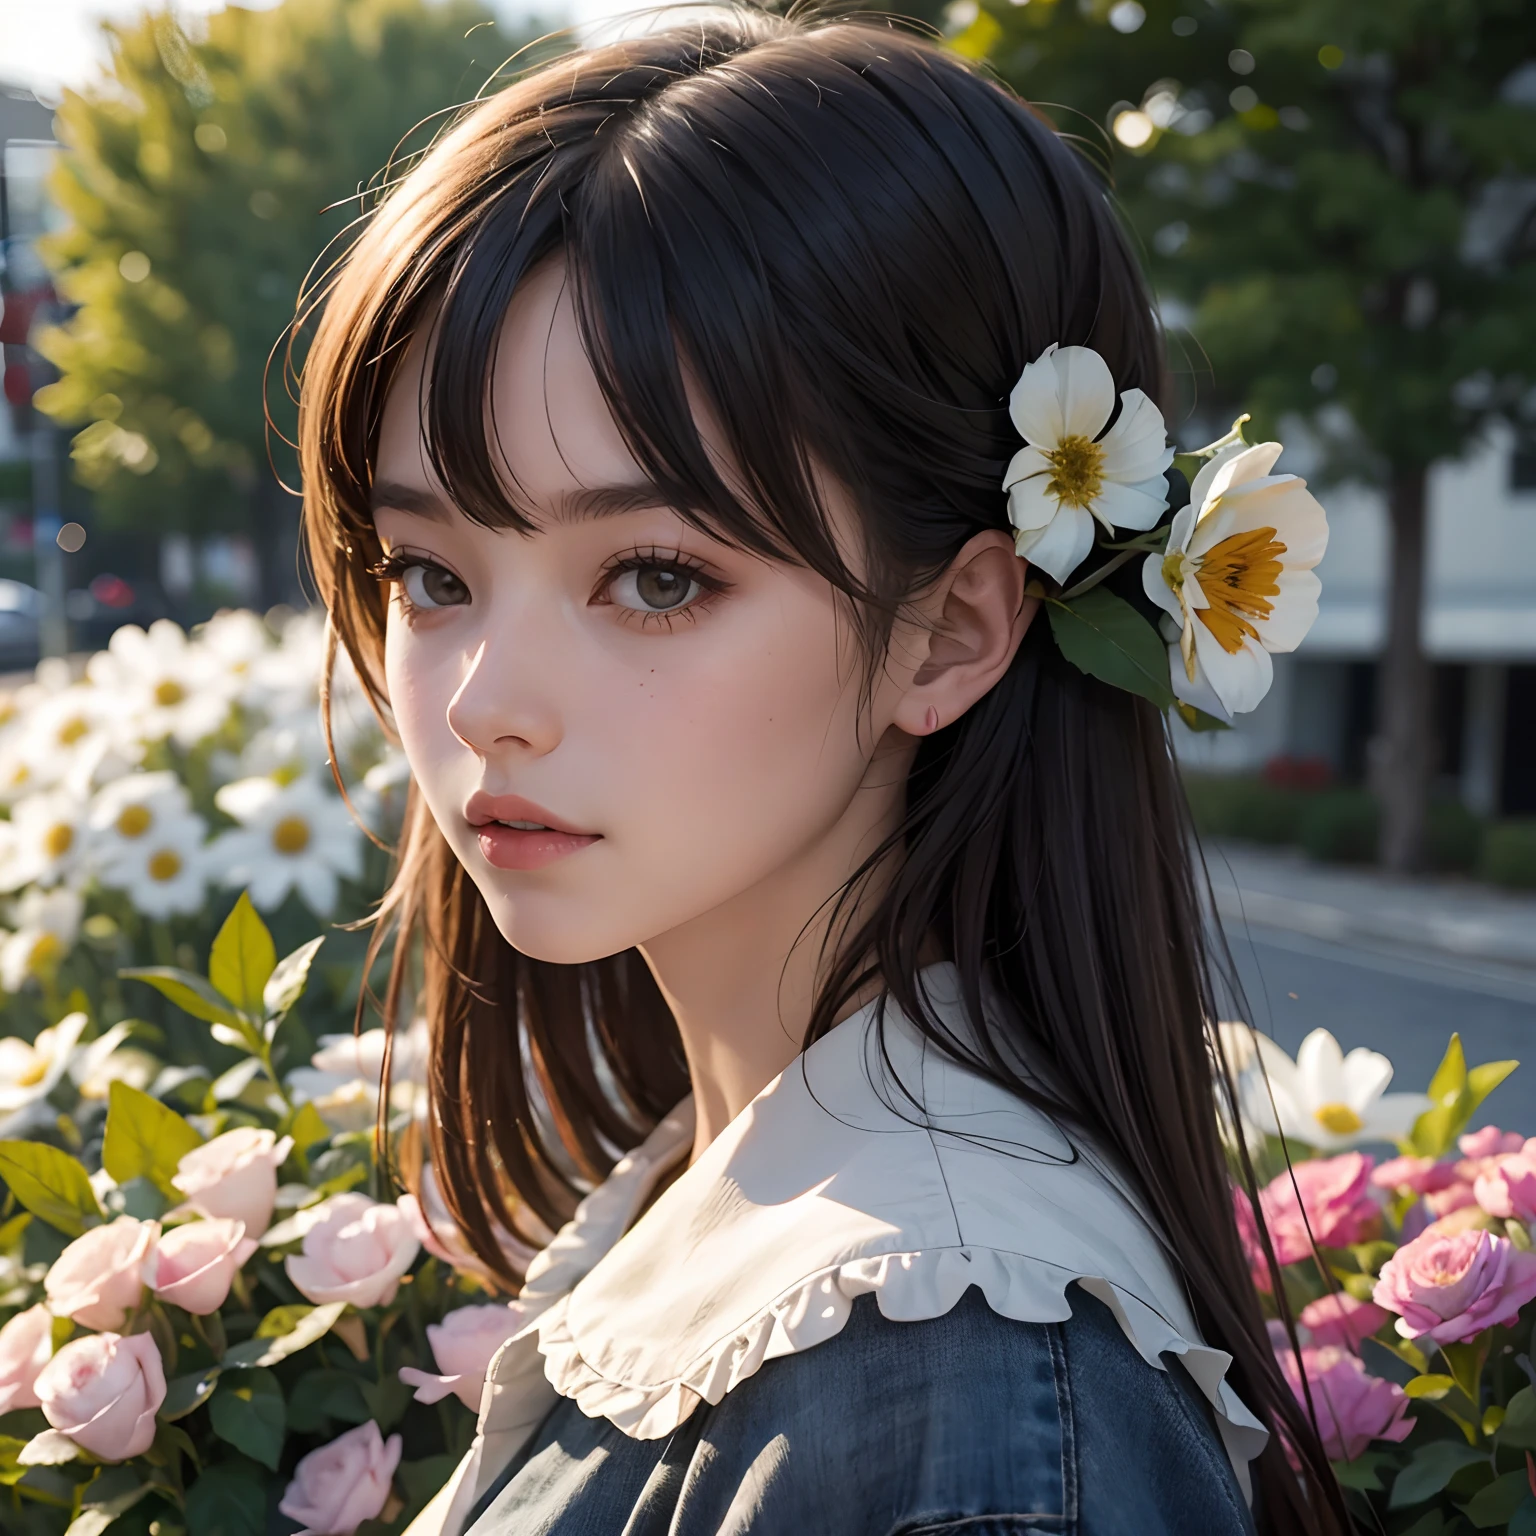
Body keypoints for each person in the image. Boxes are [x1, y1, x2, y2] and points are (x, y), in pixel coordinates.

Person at [297, 10, 1341, 1533]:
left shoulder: (964, 1376)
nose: (484, 707)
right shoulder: (767, 1207)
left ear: (950, 630)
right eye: (429, 572)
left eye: (654, 578)